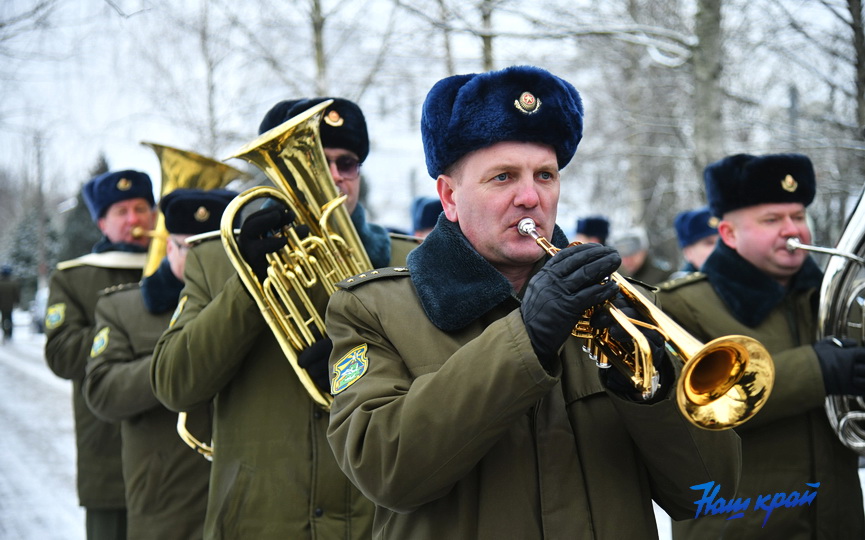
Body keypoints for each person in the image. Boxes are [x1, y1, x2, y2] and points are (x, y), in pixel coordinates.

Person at [324, 65, 741, 538]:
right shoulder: (374, 309)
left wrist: (652, 387)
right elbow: (385, 470)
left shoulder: (623, 302)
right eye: (502, 177)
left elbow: (711, 492)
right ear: (450, 197)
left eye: (545, 175)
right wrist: (527, 338)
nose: (530, 197)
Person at [150, 97, 386, 539]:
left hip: (374, 520)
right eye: (319, 161)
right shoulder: (215, 261)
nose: (334, 177)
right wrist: (249, 284)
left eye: (347, 163)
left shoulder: (406, 263)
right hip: (259, 522)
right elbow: (174, 381)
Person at [657, 153, 865, 538]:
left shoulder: (832, 299)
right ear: (729, 235)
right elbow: (690, 416)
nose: (793, 231)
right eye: (772, 220)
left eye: (799, 216)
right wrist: (816, 370)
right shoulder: (680, 305)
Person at [82, 188, 235, 540]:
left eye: (215, 248)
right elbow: (101, 390)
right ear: (169, 248)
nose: (203, 260)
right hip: (165, 504)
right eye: (190, 248)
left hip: (242, 499)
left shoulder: (257, 310)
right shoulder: (123, 307)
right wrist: (181, 361)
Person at [45, 169, 157, 540]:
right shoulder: (74, 277)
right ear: (101, 222)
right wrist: (125, 333)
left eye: (141, 208)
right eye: (121, 211)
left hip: (180, 456)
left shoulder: (180, 267)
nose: (134, 219)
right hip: (109, 448)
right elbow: (61, 353)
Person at [668, 206, 718, 279]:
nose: (719, 248)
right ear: (688, 252)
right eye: (709, 243)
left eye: (722, 241)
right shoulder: (683, 288)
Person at [0, 264, 21, 342]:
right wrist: (17, 302)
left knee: (3, 318)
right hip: (10, 305)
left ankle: (5, 332)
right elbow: (17, 294)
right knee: (10, 318)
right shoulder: (13, 283)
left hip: (2, 305)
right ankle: (9, 333)